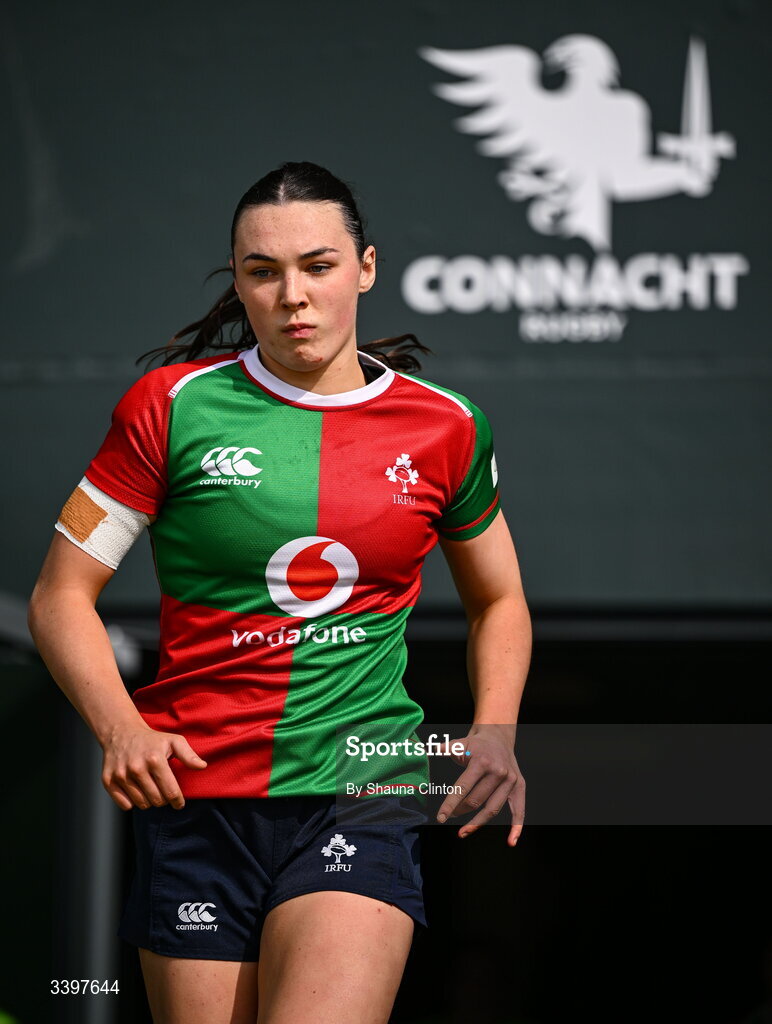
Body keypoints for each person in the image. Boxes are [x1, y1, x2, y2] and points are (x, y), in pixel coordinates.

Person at [28, 161, 531, 1024]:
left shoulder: (446, 425)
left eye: (318, 266)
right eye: (264, 272)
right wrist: (122, 729)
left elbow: (500, 602)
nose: (293, 295)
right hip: (196, 798)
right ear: (241, 284)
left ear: (365, 269)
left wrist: (494, 732)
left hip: (362, 787)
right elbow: (60, 596)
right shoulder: (169, 409)